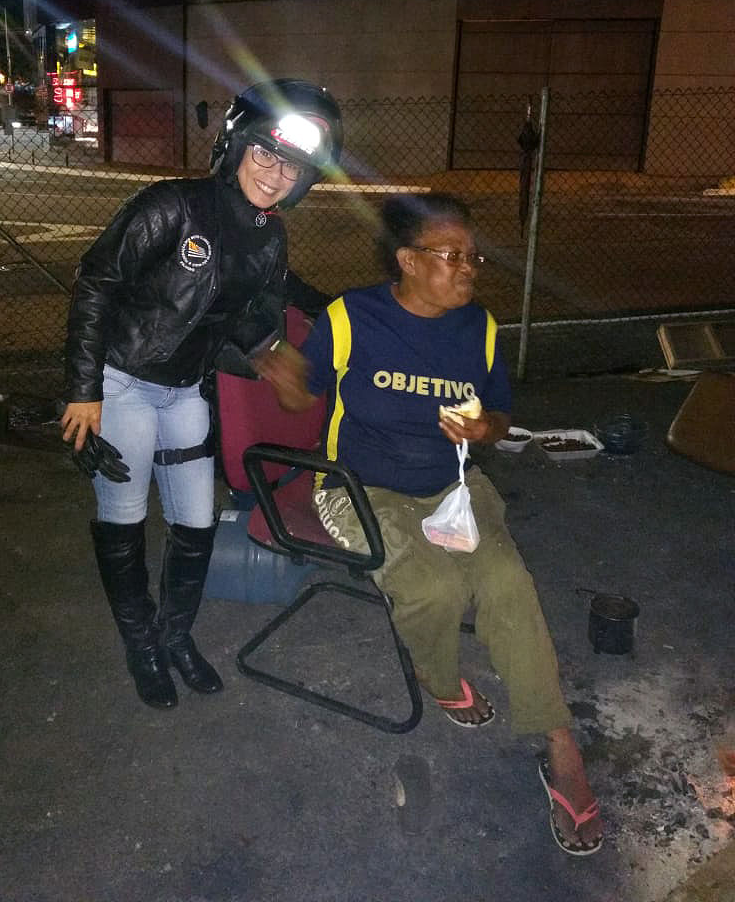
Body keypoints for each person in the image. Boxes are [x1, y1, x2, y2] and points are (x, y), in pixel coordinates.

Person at [255, 192, 603, 857]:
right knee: (433, 588)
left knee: (507, 583)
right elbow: (303, 399)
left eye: (472, 256)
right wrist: (282, 376)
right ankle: (437, 677)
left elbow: (500, 415)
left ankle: (560, 742)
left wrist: (484, 427)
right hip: (359, 488)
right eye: (452, 255)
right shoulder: (351, 317)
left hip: (454, 487)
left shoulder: (480, 328)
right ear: (409, 260)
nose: (469, 268)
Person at [61, 79, 343, 711]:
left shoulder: (269, 237)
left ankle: (175, 635)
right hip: (123, 383)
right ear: (236, 147)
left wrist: (284, 351)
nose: (274, 174)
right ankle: (142, 645)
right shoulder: (173, 205)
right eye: (264, 153)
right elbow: (96, 282)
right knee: (124, 519)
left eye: (291, 166)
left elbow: (252, 312)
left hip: (185, 391)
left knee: (195, 522)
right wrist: (83, 392)